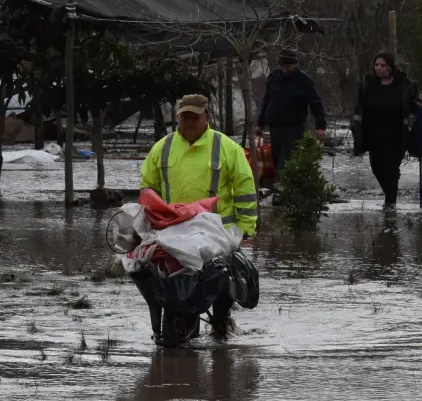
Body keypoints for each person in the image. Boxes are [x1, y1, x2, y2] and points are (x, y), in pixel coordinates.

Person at [139, 94, 258, 340]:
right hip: (175, 236)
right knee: (179, 290)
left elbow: (245, 188)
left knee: (220, 286)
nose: (189, 122)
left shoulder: (227, 148)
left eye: (195, 116)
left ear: (207, 117)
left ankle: (221, 324)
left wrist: (245, 228)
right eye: (185, 117)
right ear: (178, 118)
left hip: (218, 235)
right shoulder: (162, 148)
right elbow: (148, 189)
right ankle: (181, 330)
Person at [351, 51, 422, 207]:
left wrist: (420, 103)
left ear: (391, 67)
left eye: (383, 65)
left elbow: (413, 99)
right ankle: (390, 197)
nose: (379, 68)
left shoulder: (402, 84)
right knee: (377, 168)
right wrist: (356, 129)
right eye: (377, 65)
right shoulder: (368, 85)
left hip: (396, 136)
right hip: (373, 135)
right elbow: (359, 108)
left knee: (392, 170)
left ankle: (391, 203)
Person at [255, 49, 328, 190]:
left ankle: (280, 192)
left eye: (288, 66)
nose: (285, 69)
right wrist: (260, 123)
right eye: (282, 66)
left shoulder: (304, 81)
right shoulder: (274, 77)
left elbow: (315, 103)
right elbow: (267, 101)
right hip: (275, 127)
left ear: (295, 65)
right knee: (276, 160)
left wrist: (320, 126)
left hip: (294, 127)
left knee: (286, 160)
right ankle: (285, 189)